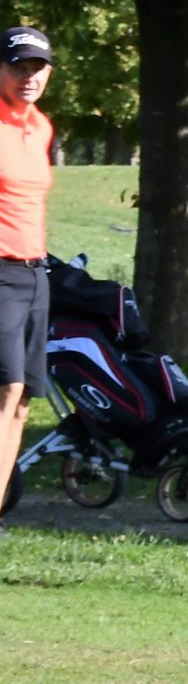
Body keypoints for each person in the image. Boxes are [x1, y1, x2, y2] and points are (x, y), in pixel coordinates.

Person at [0, 27, 55, 521]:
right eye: (18, 67)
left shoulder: (41, 127)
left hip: (35, 274)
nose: (28, 77)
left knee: (22, 402)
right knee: (7, 389)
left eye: (37, 68)